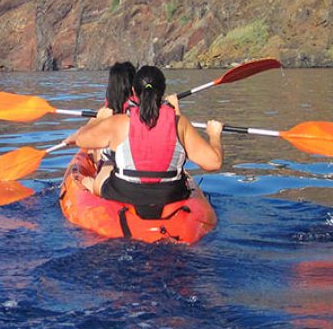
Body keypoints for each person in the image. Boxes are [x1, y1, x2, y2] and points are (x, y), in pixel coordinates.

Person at [66, 65, 223, 218]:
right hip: (171, 195)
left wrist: (97, 120)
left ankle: (91, 186)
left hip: (124, 194)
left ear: (134, 91)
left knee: (107, 167)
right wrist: (214, 134)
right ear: (162, 90)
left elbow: (81, 140)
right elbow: (214, 163)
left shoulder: (119, 123)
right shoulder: (180, 123)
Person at [87, 61, 135, 192]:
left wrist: (97, 119)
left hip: (114, 167)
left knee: (93, 147)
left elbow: (83, 137)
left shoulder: (108, 110)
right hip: (139, 166)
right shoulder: (146, 107)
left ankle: (95, 176)